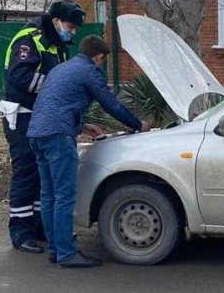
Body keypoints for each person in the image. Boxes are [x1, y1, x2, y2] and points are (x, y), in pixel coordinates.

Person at [28, 35, 150, 268]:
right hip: (58, 137)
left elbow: (55, 103)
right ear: (99, 57)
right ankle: (66, 254)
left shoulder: (61, 69)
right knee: (64, 196)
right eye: (103, 60)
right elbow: (110, 103)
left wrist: (82, 126)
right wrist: (138, 125)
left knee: (49, 195)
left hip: (37, 134)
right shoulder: (89, 71)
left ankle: (55, 250)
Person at [0, 0, 86, 254]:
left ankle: (38, 227)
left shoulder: (58, 46)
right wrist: (55, 87)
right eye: (70, 26)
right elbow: (20, 76)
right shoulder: (30, 39)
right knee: (25, 171)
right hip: (22, 114)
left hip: (42, 116)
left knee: (40, 175)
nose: (73, 31)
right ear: (56, 21)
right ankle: (21, 232)